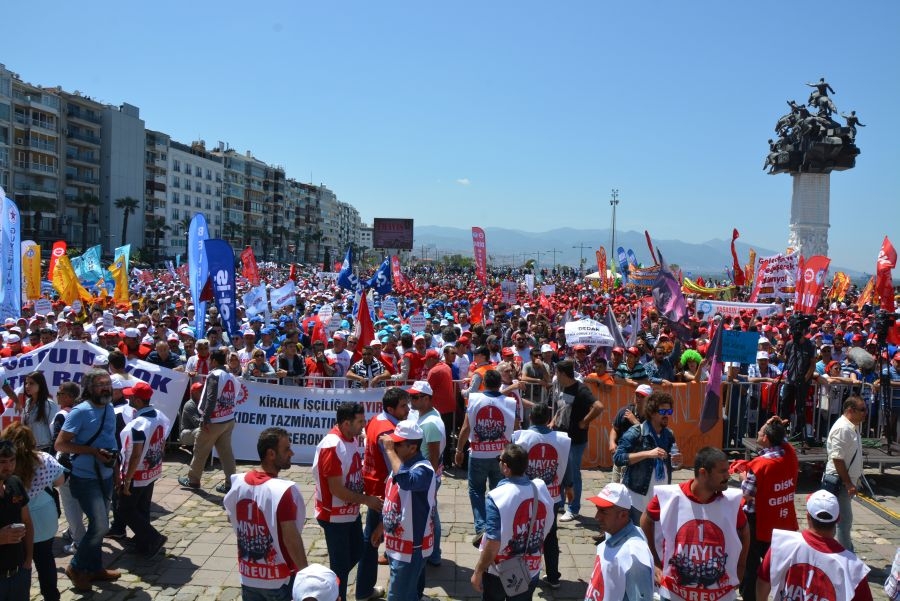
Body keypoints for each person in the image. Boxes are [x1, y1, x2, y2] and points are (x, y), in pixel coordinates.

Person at [640, 447, 749, 601]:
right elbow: (646, 520)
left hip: (719, 595)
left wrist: (741, 566)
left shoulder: (730, 502)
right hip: (674, 593)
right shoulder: (669, 497)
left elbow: (744, 530)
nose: (728, 475)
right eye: (722, 471)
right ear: (703, 473)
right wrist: (655, 561)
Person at [55, 369, 121, 592]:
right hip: (86, 477)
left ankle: (94, 568)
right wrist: (92, 452)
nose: (106, 388)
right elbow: (61, 445)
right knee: (101, 525)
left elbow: (111, 440)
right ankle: (76, 567)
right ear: (89, 388)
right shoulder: (80, 412)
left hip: (106, 475)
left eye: (108, 384)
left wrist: (117, 470)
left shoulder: (110, 407)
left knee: (99, 526)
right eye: (101, 384)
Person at [224, 427, 309, 600]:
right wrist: (306, 575)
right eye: (286, 449)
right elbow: (291, 539)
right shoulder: (282, 491)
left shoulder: (238, 483)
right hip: (279, 579)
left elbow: (231, 517)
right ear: (271, 454)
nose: (291, 453)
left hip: (249, 576)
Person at [312, 402, 383, 601]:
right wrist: (367, 500)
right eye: (360, 421)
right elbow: (336, 489)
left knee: (358, 551)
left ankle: (332, 583)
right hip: (334, 516)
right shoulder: (332, 446)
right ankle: (333, 593)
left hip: (348, 513)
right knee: (341, 567)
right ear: (345, 423)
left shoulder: (350, 437)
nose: (364, 425)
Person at [470, 443, 554, 601]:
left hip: (500, 572)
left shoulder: (497, 497)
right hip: (531, 568)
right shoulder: (540, 488)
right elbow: (548, 523)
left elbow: (493, 543)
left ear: (506, 467)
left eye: (499, 460)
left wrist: (478, 571)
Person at [756, 490, 872, 601]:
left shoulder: (782, 545)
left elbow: (763, 583)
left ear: (807, 516)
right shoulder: (854, 568)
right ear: (838, 519)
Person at [371, 420, 436, 601]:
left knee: (398, 596)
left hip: (412, 547)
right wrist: (382, 526)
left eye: (398, 444)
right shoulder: (400, 464)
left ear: (413, 448)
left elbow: (408, 482)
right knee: (407, 593)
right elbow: (393, 499)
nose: (393, 447)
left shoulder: (424, 469)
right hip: (398, 544)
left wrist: (390, 451)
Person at [736, 416, 798, 601]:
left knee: (751, 564)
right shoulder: (790, 454)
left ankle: (750, 596)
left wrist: (742, 475)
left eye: (761, 431)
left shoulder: (760, 464)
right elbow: (784, 442)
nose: (757, 433)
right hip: (782, 520)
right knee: (779, 563)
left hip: (759, 522)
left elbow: (746, 494)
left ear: (766, 439)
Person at [2, 422, 64, 601]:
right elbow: (60, 481)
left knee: (19, 561)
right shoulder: (43, 459)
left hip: (16, 518)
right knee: (45, 558)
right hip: (44, 515)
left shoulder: (6, 467)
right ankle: (51, 596)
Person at [455, 369, 518, 544]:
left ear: (484, 383)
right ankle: (497, 525)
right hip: (501, 455)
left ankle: (482, 526)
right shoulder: (509, 402)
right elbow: (517, 426)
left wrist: (459, 450)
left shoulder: (475, 399)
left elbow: (466, 427)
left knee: (476, 491)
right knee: (499, 492)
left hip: (478, 454)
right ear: (500, 384)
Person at [358, 388, 410, 601]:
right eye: (403, 406)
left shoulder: (376, 420)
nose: (407, 410)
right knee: (373, 540)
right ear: (391, 408)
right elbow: (395, 470)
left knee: (372, 539)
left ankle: (364, 588)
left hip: (373, 486)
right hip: (383, 493)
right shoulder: (388, 432)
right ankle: (363, 590)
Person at [511, 402, 570, 589]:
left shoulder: (521, 438)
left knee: (522, 532)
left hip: (524, 495)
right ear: (548, 420)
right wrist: (569, 487)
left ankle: (521, 574)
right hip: (551, 497)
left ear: (530, 418)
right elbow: (567, 466)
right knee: (551, 535)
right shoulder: (561, 439)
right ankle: (553, 576)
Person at [118, 381, 170, 557]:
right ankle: (143, 542)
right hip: (152, 469)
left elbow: (135, 455)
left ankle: (152, 537)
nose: (128, 399)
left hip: (138, 473)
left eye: (131, 396)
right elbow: (162, 442)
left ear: (138, 401)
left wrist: (127, 480)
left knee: (125, 510)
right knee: (142, 507)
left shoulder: (138, 424)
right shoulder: (161, 416)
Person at [179, 348, 240, 494]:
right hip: (228, 419)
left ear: (213, 361)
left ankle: (193, 479)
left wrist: (205, 419)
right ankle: (230, 483)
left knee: (200, 449)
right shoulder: (230, 376)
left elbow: (211, 398)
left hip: (214, 420)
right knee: (226, 453)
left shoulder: (215, 375)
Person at [614, 390, 678, 525]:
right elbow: (618, 458)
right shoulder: (637, 432)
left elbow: (670, 464)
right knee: (636, 539)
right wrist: (648, 454)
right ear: (652, 412)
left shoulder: (669, 435)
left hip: (660, 498)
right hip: (637, 498)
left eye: (669, 412)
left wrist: (678, 462)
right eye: (662, 412)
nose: (667, 415)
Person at [583, 483, 654, 601]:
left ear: (623, 515)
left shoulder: (634, 556)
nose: (596, 517)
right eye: (597, 510)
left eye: (603, 512)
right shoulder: (612, 532)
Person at [556, 359, 605, 522]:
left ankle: (574, 508)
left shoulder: (581, 389)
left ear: (563, 374)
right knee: (562, 471)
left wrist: (585, 421)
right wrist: (553, 421)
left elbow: (598, 407)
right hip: (562, 437)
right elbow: (563, 407)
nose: (556, 376)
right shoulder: (564, 387)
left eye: (557, 373)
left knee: (573, 474)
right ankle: (561, 503)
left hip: (576, 439)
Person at [407, 380, 446, 566]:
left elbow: (433, 456)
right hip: (428, 475)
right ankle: (433, 553)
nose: (411, 401)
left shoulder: (430, 423)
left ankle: (433, 553)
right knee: (432, 514)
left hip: (427, 476)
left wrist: (427, 481)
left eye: (415, 397)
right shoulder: (428, 415)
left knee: (430, 515)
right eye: (411, 396)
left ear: (426, 399)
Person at [823, 395, 866, 551]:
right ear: (850, 410)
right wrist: (848, 483)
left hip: (844, 482)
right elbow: (837, 459)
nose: (865, 413)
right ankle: (847, 556)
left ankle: (837, 552)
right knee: (844, 522)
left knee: (838, 522)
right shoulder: (843, 428)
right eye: (862, 410)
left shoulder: (852, 426)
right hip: (839, 483)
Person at [51, 381, 84, 554]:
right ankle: (73, 531)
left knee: (70, 505)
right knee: (78, 502)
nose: (57, 395)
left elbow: (57, 443)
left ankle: (78, 540)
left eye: (60, 393)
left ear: (69, 397)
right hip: (81, 464)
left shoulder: (62, 416)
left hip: (67, 465)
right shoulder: (80, 413)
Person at [0, 438, 33, 600]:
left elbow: (27, 522)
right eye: (2, 462)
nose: (9, 466)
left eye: (12, 460)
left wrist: (28, 561)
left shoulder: (15, 483)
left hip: (19, 573)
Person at [609, 384, 652, 484]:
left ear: (649, 399)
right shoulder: (624, 411)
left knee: (629, 490)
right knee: (615, 488)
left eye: (642, 396)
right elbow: (614, 429)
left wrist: (635, 422)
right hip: (621, 455)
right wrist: (612, 442)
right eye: (637, 395)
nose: (639, 398)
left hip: (639, 459)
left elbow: (650, 436)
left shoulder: (652, 416)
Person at [20, 372, 58, 452]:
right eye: (26, 383)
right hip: (29, 448)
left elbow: (54, 429)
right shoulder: (27, 402)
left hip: (45, 449)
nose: (27, 386)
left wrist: (52, 451)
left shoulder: (48, 404)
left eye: (31, 383)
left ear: (40, 385)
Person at [179, 382, 203, 448]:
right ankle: (198, 454)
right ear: (194, 393)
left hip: (193, 431)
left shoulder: (202, 403)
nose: (203, 393)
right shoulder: (190, 405)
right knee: (202, 430)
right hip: (185, 434)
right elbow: (198, 423)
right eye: (200, 391)